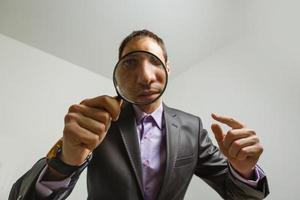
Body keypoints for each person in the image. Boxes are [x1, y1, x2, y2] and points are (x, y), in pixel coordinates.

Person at [9, 29, 269, 200]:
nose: (145, 77)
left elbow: (240, 194)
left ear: (168, 68)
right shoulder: (98, 121)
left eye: (155, 62)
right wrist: (66, 160)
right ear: (118, 72)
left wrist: (244, 170)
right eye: (131, 62)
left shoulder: (192, 127)